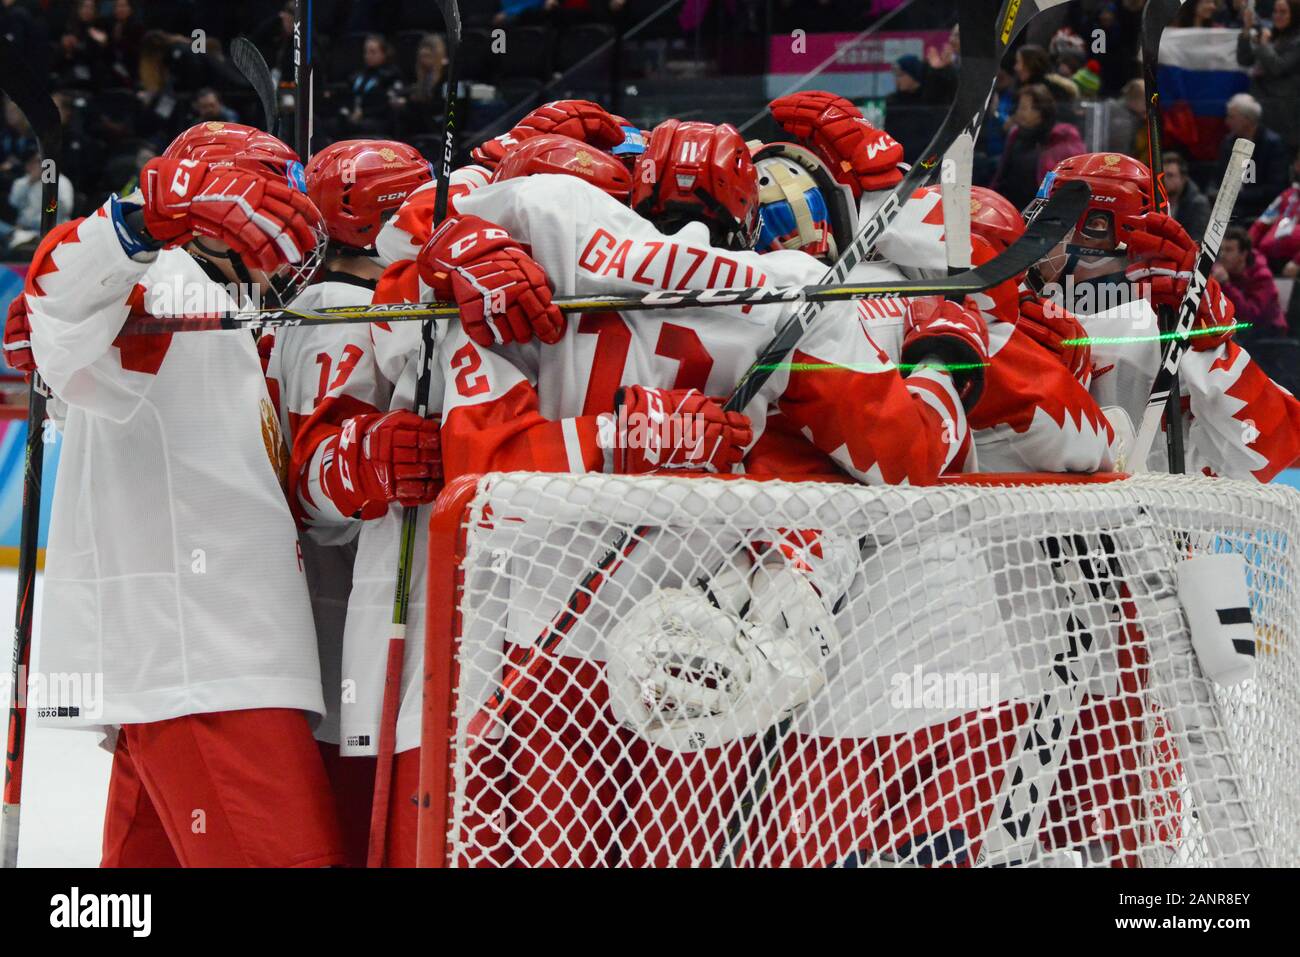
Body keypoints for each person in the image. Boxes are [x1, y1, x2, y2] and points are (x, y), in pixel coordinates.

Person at [13, 121, 344, 867]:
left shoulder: (220, 312)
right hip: (208, 672)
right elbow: (62, 315)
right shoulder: (167, 278)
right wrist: (140, 218)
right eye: (263, 207)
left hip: (196, 671)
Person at [264, 138, 440, 867]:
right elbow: (313, 496)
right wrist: (365, 466)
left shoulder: (305, 307)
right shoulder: (342, 312)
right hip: (345, 652)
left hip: (312, 641)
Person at [990, 83, 1086, 210]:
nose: (1019, 113)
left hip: (1042, 214)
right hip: (1011, 210)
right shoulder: (1015, 134)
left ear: (1041, 111)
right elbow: (1001, 176)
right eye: (1019, 107)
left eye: (1024, 108)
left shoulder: (1062, 138)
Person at [1217, 92, 1290, 220]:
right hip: (1231, 209)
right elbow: (1218, 176)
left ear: (1247, 120)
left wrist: (1238, 196)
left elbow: (1276, 188)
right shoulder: (1228, 143)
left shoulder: (1272, 145)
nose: (1227, 122)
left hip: (1262, 211)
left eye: (1231, 117)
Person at [1238, 0, 1300, 150]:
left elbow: (1278, 67)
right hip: (1260, 110)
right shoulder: (1272, 36)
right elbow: (1244, 60)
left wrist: (1264, 45)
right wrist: (1246, 30)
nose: (1277, 16)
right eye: (1275, 11)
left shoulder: (1297, 42)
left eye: (1283, 12)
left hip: (1283, 116)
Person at [1212, 225, 1287, 340]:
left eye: (1229, 250)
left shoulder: (1262, 276)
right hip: (1239, 328)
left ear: (1243, 254)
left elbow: (1251, 315)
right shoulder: (1219, 271)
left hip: (1267, 334)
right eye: (1221, 250)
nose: (1222, 255)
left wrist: (1226, 285)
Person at [344, 34, 404, 137]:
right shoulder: (359, 74)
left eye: (373, 52)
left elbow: (387, 102)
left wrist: (364, 113)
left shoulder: (391, 74)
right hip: (356, 116)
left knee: (356, 126)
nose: (368, 55)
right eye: (366, 52)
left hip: (378, 119)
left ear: (383, 54)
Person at [1163, 150, 1211, 238]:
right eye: (1162, 176)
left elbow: (1197, 240)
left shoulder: (1198, 205)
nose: (1164, 180)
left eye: (1170, 175)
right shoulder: (1154, 201)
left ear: (1183, 178)